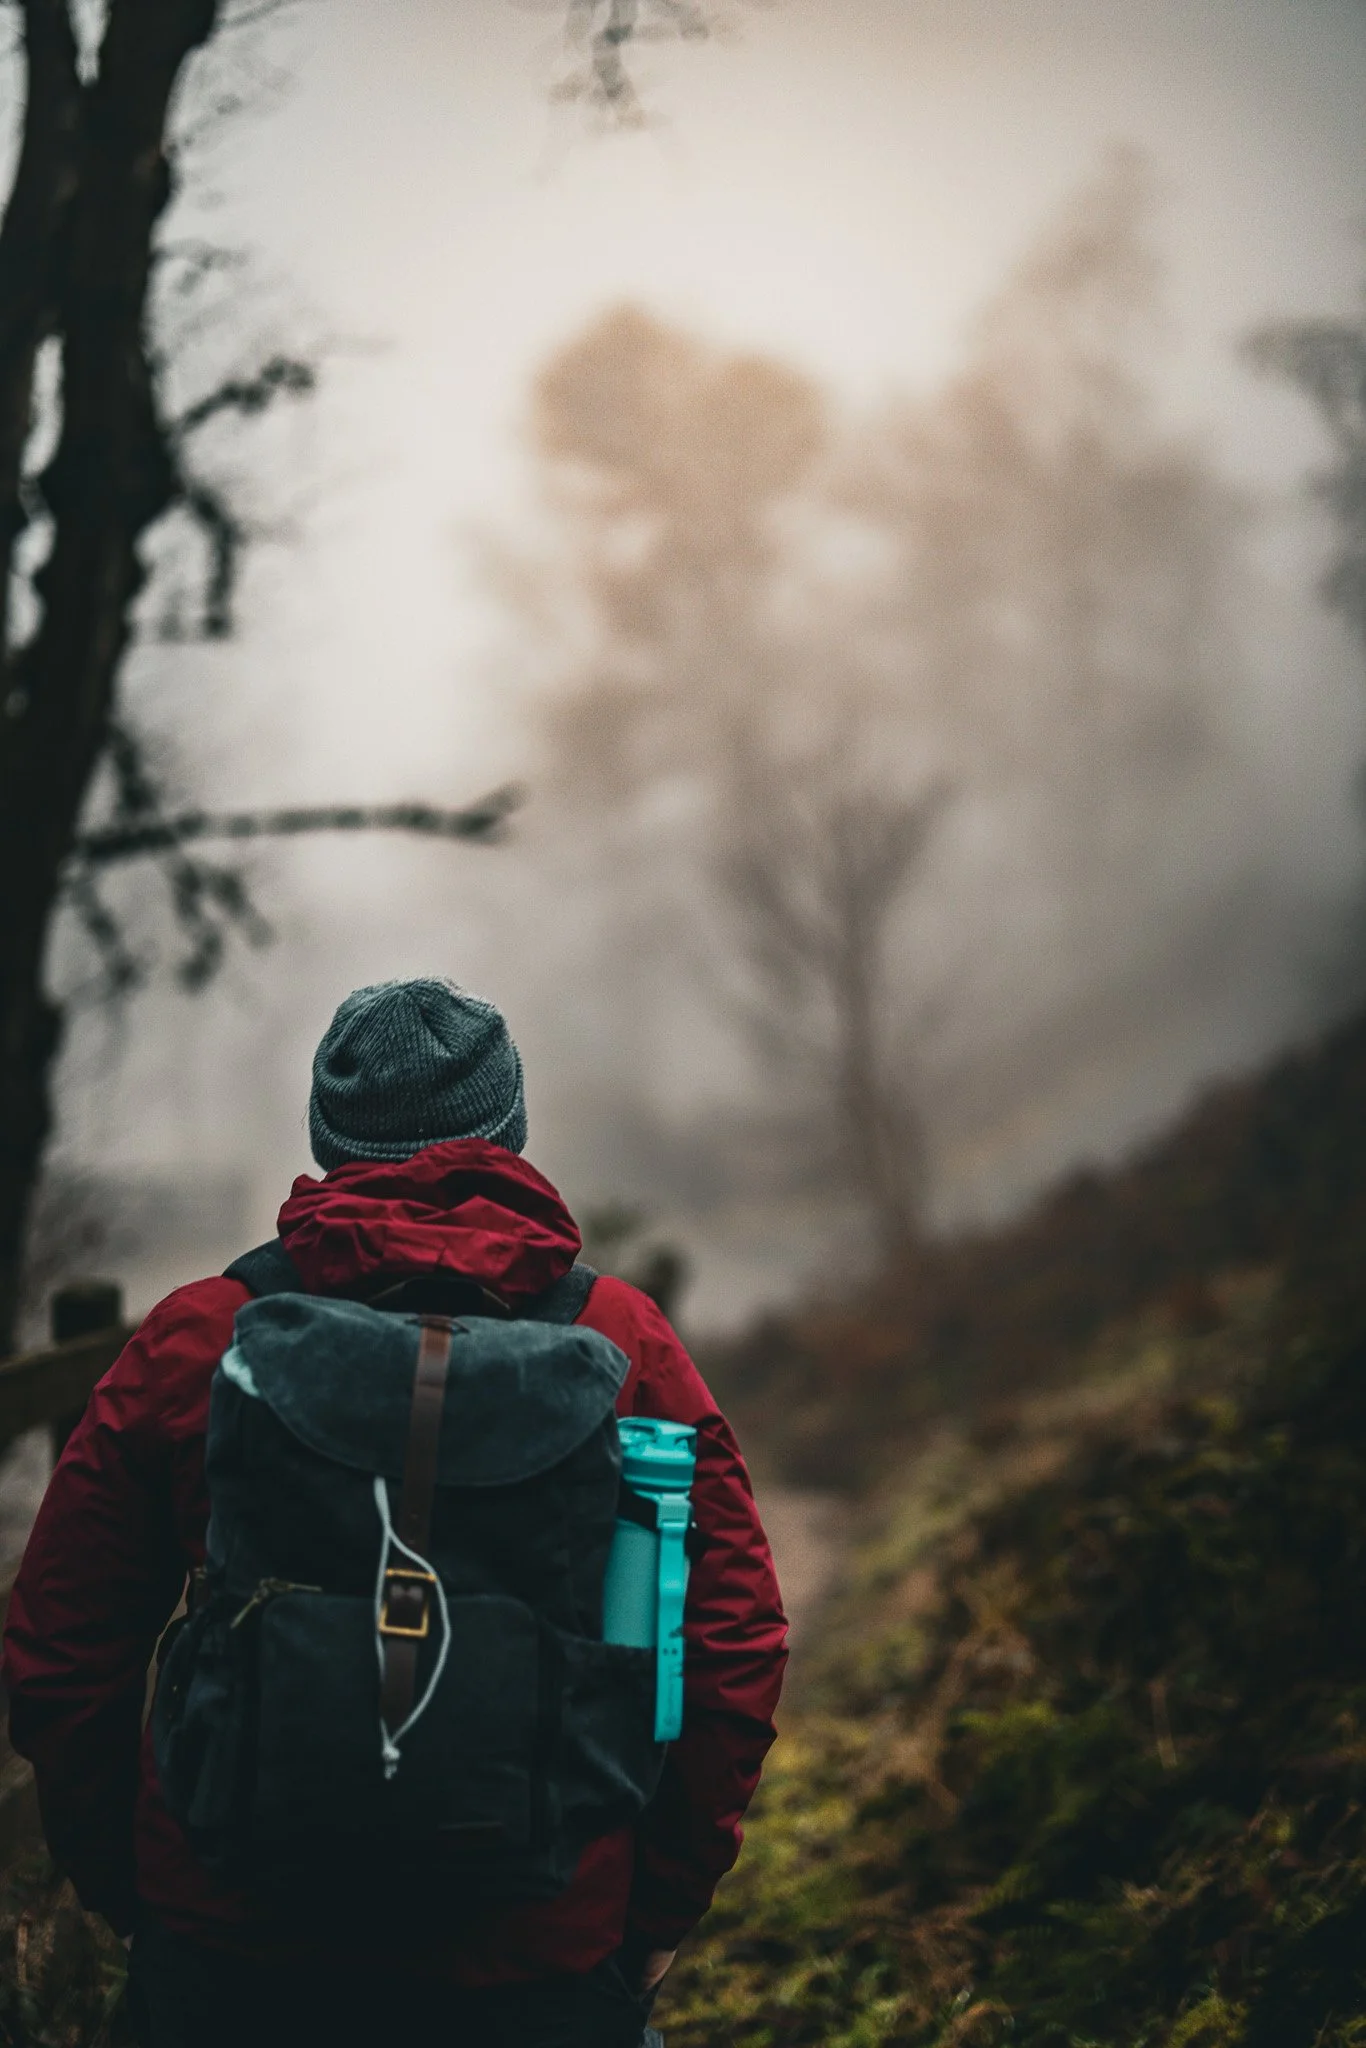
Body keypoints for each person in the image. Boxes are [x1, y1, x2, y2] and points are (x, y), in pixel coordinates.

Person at [3, 978, 788, 2048]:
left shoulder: (202, 1337)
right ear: (509, 1134)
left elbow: (61, 1640)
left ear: (329, 1138)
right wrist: (652, 1912)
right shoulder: (621, 1339)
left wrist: (133, 1890)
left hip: (234, 1955)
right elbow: (731, 1639)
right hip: (540, 1956)